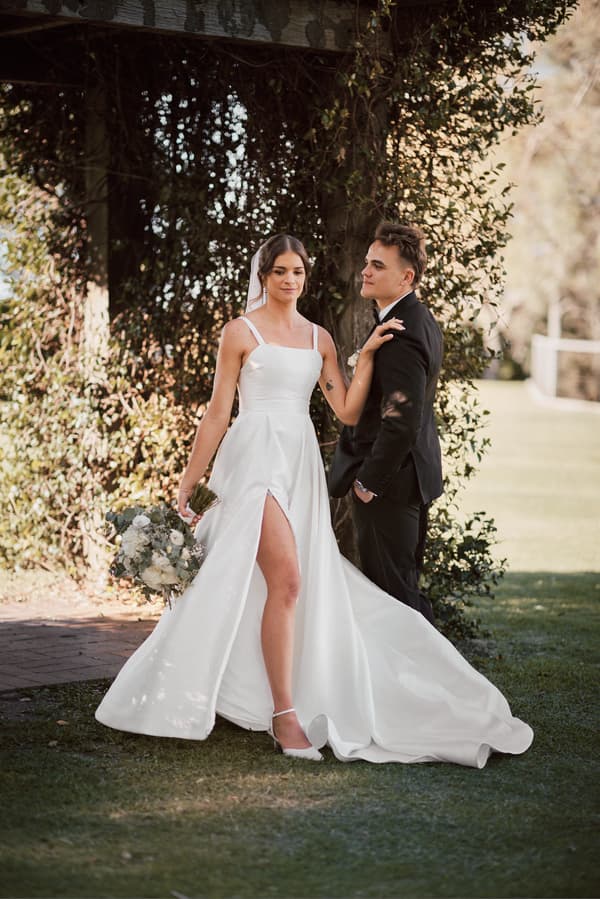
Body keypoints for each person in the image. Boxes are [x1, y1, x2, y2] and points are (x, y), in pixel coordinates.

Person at [96, 233, 533, 767]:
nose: (290, 280)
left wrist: (367, 354)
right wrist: (191, 479)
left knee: (280, 582)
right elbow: (217, 413)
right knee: (289, 580)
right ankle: (284, 714)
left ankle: (256, 691)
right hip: (253, 457)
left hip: (297, 460)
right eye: (280, 271)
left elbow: (347, 410)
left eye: (298, 272)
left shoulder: (319, 338)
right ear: (263, 276)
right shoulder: (240, 332)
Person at [329, 222, 442, 626]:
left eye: (377, 265)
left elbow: (402, 419)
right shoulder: (416, 320)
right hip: (407, 478)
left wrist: (368, 482)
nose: (366, 271)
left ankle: (438, 682)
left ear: (406, 276)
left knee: (393, 598)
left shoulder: (402, 332)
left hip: (389, 485)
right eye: (366, 263)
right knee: (400, 589)